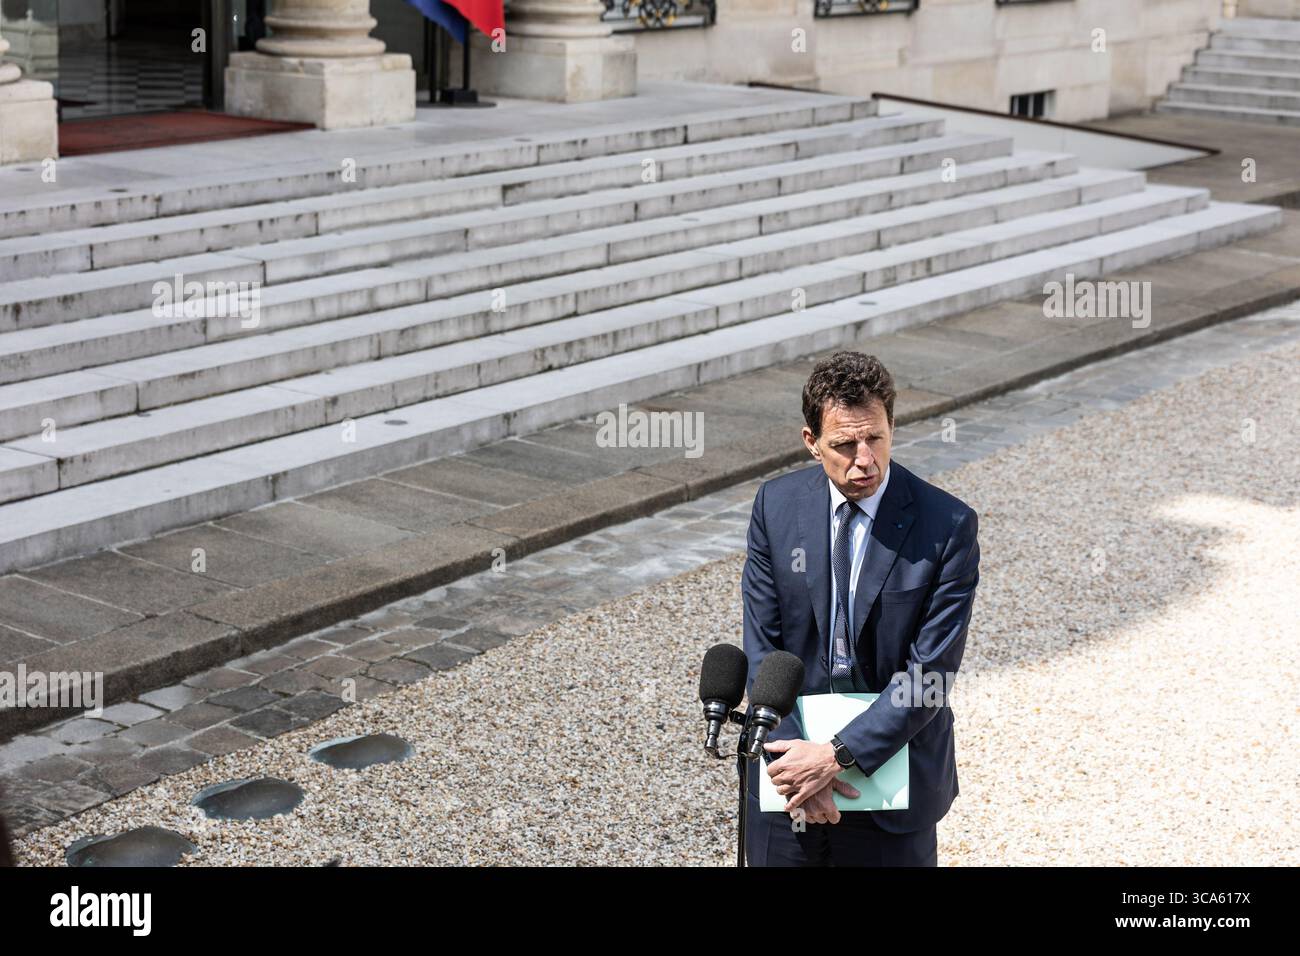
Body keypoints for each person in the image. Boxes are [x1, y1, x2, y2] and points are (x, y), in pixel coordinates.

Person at [741, 350, 980, 866]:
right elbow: (764, 652)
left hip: (895, 788)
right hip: (788, 789)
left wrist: (834, 758)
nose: (864, 458)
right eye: (844, 444)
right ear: (811, 442)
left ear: (892, 425)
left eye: (875, 437)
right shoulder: (774, 508)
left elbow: (929, 675)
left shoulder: (947, 526)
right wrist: (795, 770)